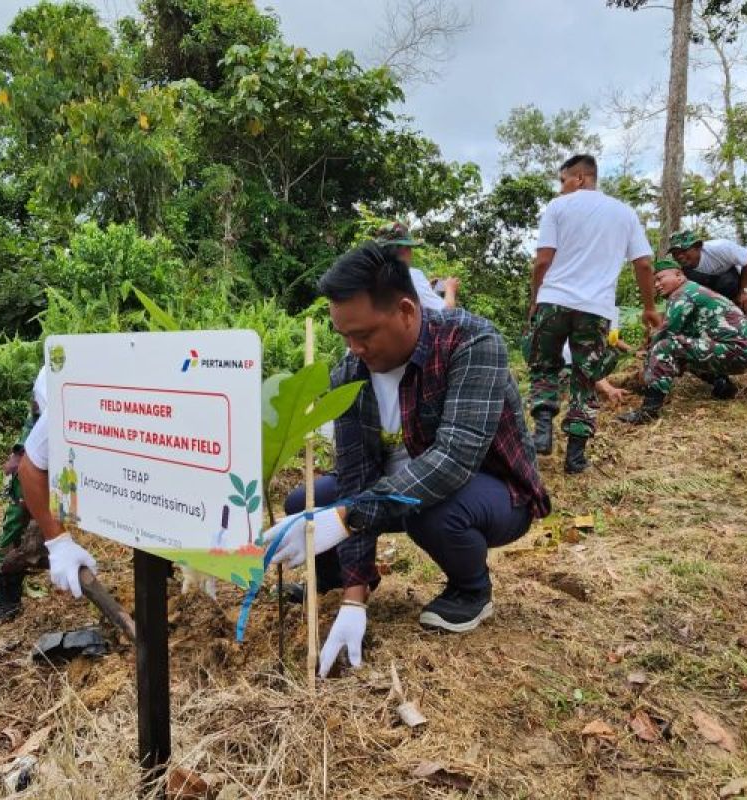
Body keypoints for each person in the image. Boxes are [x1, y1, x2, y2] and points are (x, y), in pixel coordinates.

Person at [265, 243, 551, 677]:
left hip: (491, 493)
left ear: (405, 310)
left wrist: (347, 517)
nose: (354, 348)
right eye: (344, 336)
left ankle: (471, 589)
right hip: (391, 491)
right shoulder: (351, 372)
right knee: (303, 505)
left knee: (430, 510)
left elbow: (454, 459)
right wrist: (353, 597)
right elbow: (357, 476)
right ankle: (336, 577)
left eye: (364, 334)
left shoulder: (472, 342)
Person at [526, 154, 660, 473]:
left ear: (581, 178)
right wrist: (649, 307)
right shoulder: (625, 213)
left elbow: (543, 260)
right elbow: (643, 264)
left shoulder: (558, 208)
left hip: (554, 301)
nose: (560, 189)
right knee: (585, 380)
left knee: (544, 364)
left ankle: (543, 429)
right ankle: (575, 458)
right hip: (595, 310)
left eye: (563, 181)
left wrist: (536, 300)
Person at [0, 367, 98, 627]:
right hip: (48, 411)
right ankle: (6, 595)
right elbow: (29, 469)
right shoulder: (66, 401)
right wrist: (58, 542)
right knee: (21, 501)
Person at [619, 259, 747, 424]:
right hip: (745, 352)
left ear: (679, 276)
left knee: (665, 346)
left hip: (737, 351)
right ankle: (722, 384)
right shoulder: (693, 290)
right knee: (685, 348)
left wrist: (647, 364)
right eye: (654, 282)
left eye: (660, 279)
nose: (657, 285)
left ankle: (648, 411)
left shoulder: (683, 293)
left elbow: (665, 333)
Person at [374, 221, 460, 310]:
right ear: (404, 249)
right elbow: (446, 312)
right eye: (410, 248)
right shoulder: (411, 275)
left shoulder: (371, 273)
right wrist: (450, 289)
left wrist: (427, 288)